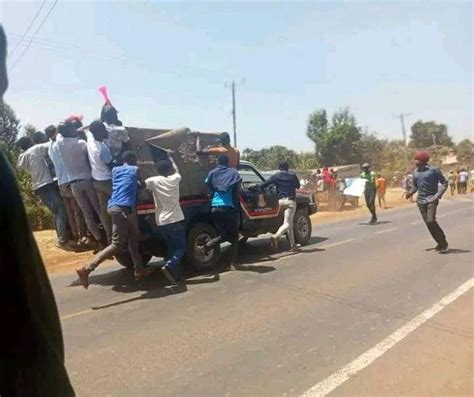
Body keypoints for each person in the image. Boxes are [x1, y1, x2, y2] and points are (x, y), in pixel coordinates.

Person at [0, 24, 75, 396]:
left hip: (52, 185)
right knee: (64, 215)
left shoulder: (15, 159)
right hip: (28, 375)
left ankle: (68, 235)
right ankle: (65, 237)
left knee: (68, 210)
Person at [76, 151, 153, 288]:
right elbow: (141, 185)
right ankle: (87, 268)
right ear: (132, 159)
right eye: (135, 160)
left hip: (116, 207)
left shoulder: (115, 170)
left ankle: (139, 270)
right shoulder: (135, 169)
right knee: (116, 245)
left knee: (133, 237)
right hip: (122, 209)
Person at [54, 120, 105, 249]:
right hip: (86, 179)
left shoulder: (59, 143)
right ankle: (108, 236)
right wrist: (82, 129)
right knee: (98, 209)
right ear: (70, 130)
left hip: (73, 183)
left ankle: (99, 240)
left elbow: (60, 133)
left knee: (86, 213)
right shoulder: (81, 143)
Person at [16, 135, 72, 250]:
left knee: (55, 212)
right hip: (46, 184)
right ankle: (62, 240)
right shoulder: (36, 149)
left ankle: (61, 236)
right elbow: (52, 144)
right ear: (30, 142)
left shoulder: (23, 156)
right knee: (61, 210)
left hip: (38, 186)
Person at [46, 125, 89, 249]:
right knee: (77, 209)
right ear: (55, 133)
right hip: (68, 179)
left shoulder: (50, 147)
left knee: (70, 210)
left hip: (60, 182)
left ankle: (75, 235)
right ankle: (82, 236)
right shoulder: (59, 145)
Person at [145, 156, 185, 284]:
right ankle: (170, 265)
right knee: (181, 248)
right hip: (175, 219)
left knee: (171, 248)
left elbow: (142, 185)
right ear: (169, 171)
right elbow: (177, 170)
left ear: (157, 170)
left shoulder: (153, 181)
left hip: (162, 222)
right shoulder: (175, 179)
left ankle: (174, 276)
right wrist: (171, 158)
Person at [199, 154, 242, 268]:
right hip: (228, 208)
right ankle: (233, 263)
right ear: (227, 162)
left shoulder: (212, 173)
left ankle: (209, 245)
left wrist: (213, 192)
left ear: (218, 162)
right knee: (234, 237)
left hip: (215, 208)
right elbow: (238, 188)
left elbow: (207, 184)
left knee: (223, 234)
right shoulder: (233, 172)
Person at [406, 151, 449, 253]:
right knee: (428, 224)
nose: (415, 161)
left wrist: (437, 195)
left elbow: (444, 182)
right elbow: (415, 186)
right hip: (420, 201)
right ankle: (440, 243)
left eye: (417, 159)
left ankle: (443, 242)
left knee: (431, 221)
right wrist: (410, 193)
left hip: (431, 200)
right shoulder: (415, 172)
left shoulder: (434, 170)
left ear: (423, 161)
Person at [260, 161, 301, 252]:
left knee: (289, 224)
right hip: (290, 201)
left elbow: (263, 185)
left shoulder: (276, 176)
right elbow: (298, 186)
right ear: (287, 167)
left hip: (281, 202)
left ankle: (293, 245)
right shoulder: (292, 175)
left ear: (279, 168)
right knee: (288, 223)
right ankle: (275, 236)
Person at [86, 120, 114, 241]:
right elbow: (111, 165)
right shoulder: (103, 149)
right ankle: (122, 235)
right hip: (107, 181)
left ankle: (110, 237)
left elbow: (86, 129)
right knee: (120, 208)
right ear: (98, 132)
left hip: (96, 181)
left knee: (104, 212)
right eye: (103, 130)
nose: (106, 133)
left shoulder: (90, 141)